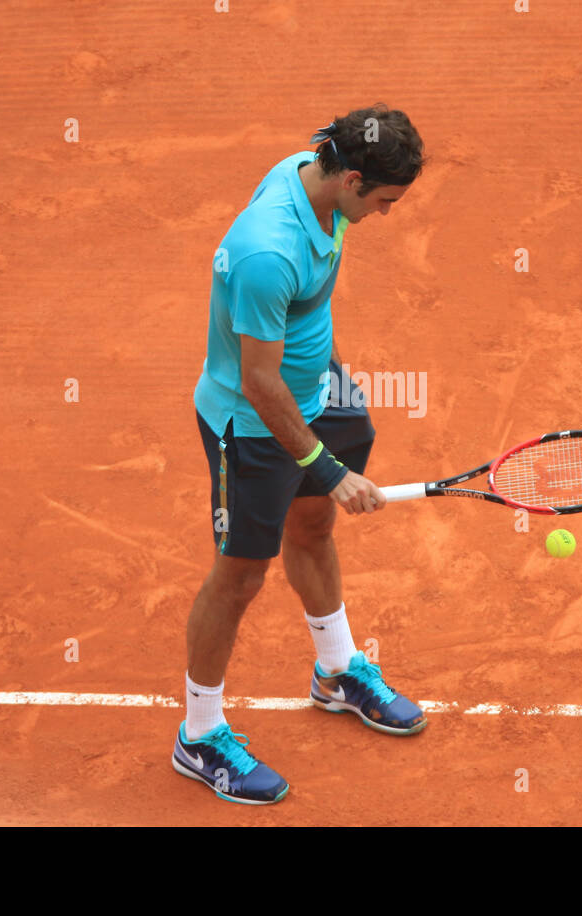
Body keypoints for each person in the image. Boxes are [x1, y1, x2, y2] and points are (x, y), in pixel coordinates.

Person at [174, 105, 428, 804]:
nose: (386, 213)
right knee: (239, 576)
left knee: (314, 528)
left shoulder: (318, 190)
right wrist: (326, 467)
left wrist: (338, 390)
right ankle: (198, 736)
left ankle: (337, 671)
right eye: (383, 201)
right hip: (253, 429)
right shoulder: (267, 251)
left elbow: (306, 314)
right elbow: (257, 381)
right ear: (351, 179)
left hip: (322, 394)